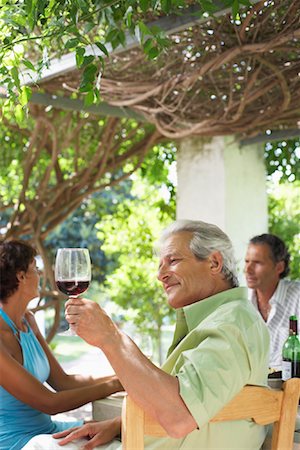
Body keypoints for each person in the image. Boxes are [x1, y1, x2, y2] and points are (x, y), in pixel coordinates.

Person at [25, 220, 269, 450]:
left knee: (40, 445)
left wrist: (110, 337)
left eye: (172, 260)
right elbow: (204, 403)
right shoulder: (226, 319)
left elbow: (179, 416)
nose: (160, 274)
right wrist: (120, 425)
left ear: (214, 263)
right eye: (160, 264)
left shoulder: (230, 324)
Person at [0, 239, 123, 450]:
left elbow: (63, 382)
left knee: (123, 433)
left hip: (48, 430)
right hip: (17, 442)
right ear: (20, 276)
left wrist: (123, 375)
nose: (40, 275)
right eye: (35, 269)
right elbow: (50, 402)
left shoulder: (27, 321)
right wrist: (115, 385)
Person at [244, 233, 300, 372]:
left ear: (279, 267)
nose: (248, 269)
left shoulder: (297, 298)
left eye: (257, 263)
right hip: (252, 387)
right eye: (246, 261)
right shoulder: (242, 302)